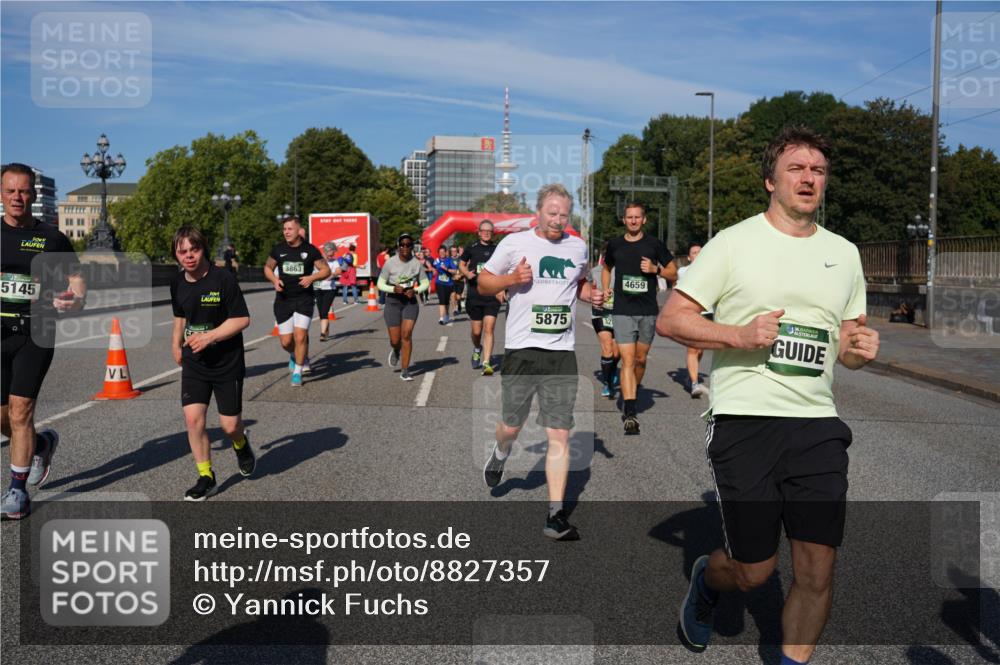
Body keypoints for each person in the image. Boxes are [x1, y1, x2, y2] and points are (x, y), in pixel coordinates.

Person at [658, 126, 880, 664]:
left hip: (817, 424)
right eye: (796, 169)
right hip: (744, 420)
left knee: (817, 568)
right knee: (753, 571)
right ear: (769, 181)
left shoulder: (844, 254)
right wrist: (737, 334)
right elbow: (671, 319)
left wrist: (857, 348)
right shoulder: (734, 243)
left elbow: (847, 342)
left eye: (818, 171)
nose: (808, 179)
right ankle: (708, 583)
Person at [478, 183, 603, 541]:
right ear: (538, 211)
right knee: (511, 426)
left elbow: (577, 284)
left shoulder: (577, 247)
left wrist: (591, 294)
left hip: (561, 352)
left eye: (564, 214)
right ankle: (501, 452)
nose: (558, 220)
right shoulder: (515, 243)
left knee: (559, 433)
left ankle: (555, 515)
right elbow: (485, 283)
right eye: (552, 213)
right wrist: (510, 279)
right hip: (522, 349)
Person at [1, 163, 86, 520]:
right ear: (1, 195)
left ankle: (16, 492)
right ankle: (41, 445)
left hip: (36, 332)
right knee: (3, 417)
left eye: (24, 191)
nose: (18, 197)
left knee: (21, 410)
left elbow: (77, 276)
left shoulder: (52, 238)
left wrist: (76, 298)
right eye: (11, 191)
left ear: (33, 195)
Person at [170, 226, 255, 500]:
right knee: (193, 419)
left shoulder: (223, 279)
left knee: (230, 426)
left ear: (203, 248)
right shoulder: (178, 282)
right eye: (182, 251)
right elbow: (180, 316)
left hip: (226, 362)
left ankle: (241, 444)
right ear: (176, 254)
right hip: (195, 362)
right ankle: (206, 476)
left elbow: (242, 319)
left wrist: (210, 337)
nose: (189, 256)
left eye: (193, 249)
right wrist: (175, 343)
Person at [602, 201, 677, 435]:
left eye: (637, 217)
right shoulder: (614, 245)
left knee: (640, 360)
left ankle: (631, 389)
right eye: (629, 217)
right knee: (627, 360)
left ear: (644, 220)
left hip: (647, 310)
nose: (633, 221)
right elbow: (606, 268)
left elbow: (673, 272)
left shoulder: (654, 244)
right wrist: (606, 289)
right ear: (623, 220)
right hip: (623, 309)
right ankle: (630, 410)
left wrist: (656, 270)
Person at [263, 217, 330, 387]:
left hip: (304, 299)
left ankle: (298, 372)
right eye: (284, 229)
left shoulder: (310, 250)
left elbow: (326, 270)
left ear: (298, 230)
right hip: (283, 300)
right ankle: (295, 355)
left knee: (300, 336)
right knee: (286, 342)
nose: (286, 232)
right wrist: (274, 280)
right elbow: (267, 268)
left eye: (290, 229)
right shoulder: (278, 250)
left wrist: (312, 277)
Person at [377, 233, 429, 381]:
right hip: (393, 302)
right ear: (398, 247)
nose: (405, 248)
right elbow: (380, 284)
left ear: (412, 247)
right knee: (395, 339)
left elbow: (425, 283)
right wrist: (393, 289)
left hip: (410, 302)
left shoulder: (416, 264)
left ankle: (405, 370)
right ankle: (395, 349)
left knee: (406, 335)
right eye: (402, 245)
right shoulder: (390, 263)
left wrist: (417, 290)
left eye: (408, 245)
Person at [460, 220, 505, 376]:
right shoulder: (471, 248)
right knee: (477, 331)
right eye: (484, 231)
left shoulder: (498, 249)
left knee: (489, 328)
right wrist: (466, 274)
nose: (487, 233)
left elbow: (504, 269)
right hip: (475, 293)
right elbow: (461, 264)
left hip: (492, 294)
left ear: (493, 233)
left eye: (489, 231)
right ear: (478, 232)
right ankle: (477, 348)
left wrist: (502, 288)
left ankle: (486, 363)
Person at [676, 244, 709, 398]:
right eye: (694, 253)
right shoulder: (683, 271)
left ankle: (691, 375)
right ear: (689, 257)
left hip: (708, 313)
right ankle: (694, 383)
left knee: (700, 349)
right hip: (690, 313)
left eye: (700, 252)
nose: (698, 255)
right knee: (692, 348)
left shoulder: (712, 271)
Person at [590, 246, 619, 399]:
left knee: (616, 352)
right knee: (607, 348)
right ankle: (607, 383)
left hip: (620, 314)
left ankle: (612, 371)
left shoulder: (623, 270)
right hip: (601, 313)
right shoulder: (595, 271)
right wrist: (593, 294)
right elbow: (589, 290)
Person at [316, 242, 342, 342]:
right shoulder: (318, 261)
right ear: (326, 251)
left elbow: (339, 270)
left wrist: (332, 275)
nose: (332, 256)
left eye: (333, 254)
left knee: (324, 311)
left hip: (329, 289)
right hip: (317, 288)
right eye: (331, 254)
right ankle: (325, 328)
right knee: (321, 312)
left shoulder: (334, 262)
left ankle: (322, 334)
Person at [433, 245, 458, 325]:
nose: (442, 253)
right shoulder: (436, 260)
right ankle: (441, 318)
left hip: (449, 284)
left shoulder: (449, 260)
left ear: (446, 252)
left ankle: (447, 315)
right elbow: (435, 268)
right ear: (438, 253)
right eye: (440, 252)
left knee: (446, 301)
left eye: (443, 252)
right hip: (439, 283)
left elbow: (455, 271)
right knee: (442, 300)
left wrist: (446, 269)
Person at [450, 245, 466, 316]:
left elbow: (465, 269)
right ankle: (454, 309)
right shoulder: (448, 260)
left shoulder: (461, 259)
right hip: (451, 280)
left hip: (460, 280)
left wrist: (460, 275)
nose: (453, 252)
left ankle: (459, 304)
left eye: (455, 251)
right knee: (453, 295)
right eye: (452, 251)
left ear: (457, 251)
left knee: (458, 296)